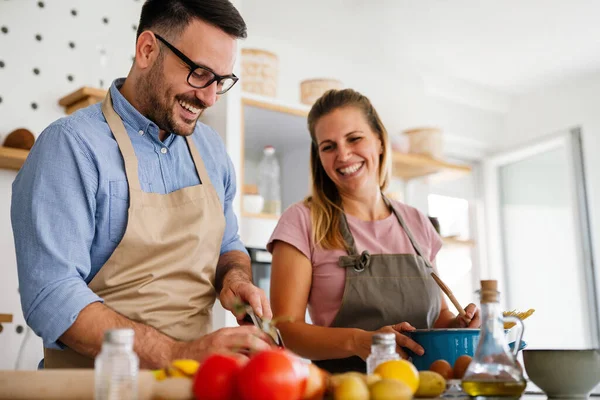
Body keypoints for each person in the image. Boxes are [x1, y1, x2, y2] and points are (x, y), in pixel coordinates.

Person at [11, 0, 274, 369]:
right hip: (95, 388)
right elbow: (51, 294)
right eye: (199, 73)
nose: (210, 97)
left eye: (221, 81)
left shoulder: (211, 150)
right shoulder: (70, 146)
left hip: (192, 384)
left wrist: (235, 278)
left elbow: (227, 244)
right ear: (147, 50)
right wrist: (175, 353)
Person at [267, 89, 481, 373]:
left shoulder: (419, 224)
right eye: (328, 146)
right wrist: (359, 341)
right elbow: (285, 329)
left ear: (380, 141)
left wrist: (457, 326)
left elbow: (438, 315)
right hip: (344, 390)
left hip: (425, 389)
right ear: (319, 156)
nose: (343, 154)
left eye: (354, 138)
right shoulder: (302, 221)